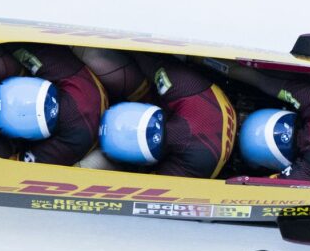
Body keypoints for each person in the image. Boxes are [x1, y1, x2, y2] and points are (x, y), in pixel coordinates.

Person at [77, 49, 237, 177]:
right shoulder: (182, 85)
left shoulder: (193, 166)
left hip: (197, 150)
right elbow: (142, 54)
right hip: (190, 102)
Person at [0, 44, 108, 166]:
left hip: (91, 142)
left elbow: (17, 170)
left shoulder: (70, 142)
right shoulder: (61, 71)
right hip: (85, 92)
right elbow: (25, 49)